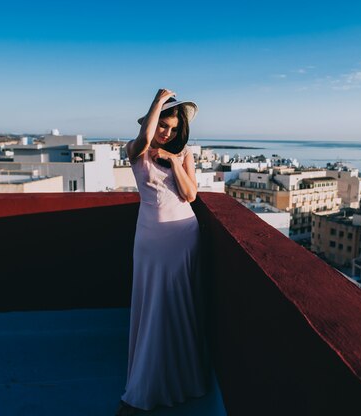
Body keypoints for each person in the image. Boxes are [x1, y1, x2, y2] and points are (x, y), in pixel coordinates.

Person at [116, 89, 207, 415]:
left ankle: (181, 379)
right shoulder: (136, 151)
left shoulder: (184, 154)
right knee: (153, 306)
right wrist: (157, 101)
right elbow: (143, 139)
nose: (165, 132)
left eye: (171, 128)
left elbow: (190, 195)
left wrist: (174, 161)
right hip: (151, 238)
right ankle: (143, 386)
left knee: (177, 306)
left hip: (184, 234)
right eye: (161, 125)